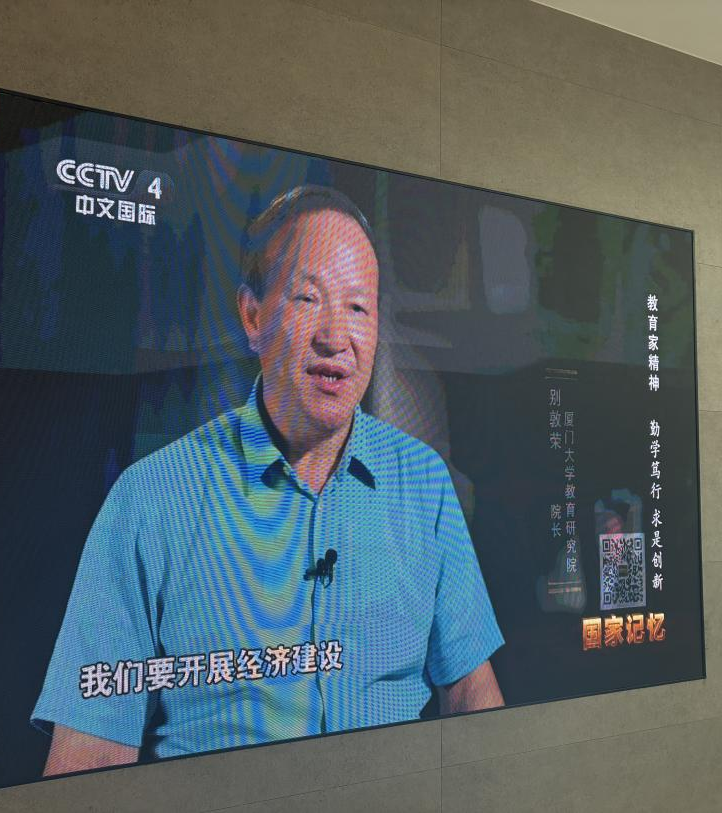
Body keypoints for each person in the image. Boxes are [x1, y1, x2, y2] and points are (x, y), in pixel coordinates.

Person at [32, 185, 504, 775]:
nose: (336, 337)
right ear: (252, 316)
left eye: (358, 308)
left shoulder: (423, 482)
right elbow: (92, 757)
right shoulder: (150, 499)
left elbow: (472, 693)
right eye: (309, 298)